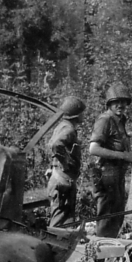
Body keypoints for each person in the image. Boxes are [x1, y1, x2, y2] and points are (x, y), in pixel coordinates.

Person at [89, 83, 132, 237]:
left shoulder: (121, 120)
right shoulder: (105, 120)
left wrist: (127, 156)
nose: (120, 105)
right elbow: (94, 149)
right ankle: (101, 252)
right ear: (109, 104)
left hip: (117, 173)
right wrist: (123, 156)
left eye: (123, 102)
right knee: (107, 215)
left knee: (117, 214)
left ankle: (110, 251)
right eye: (116, 102)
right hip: (105, 173)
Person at [46, 96, 86, 230]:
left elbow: (52, 145)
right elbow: (56, 145)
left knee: (65, 220)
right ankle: (51, 247)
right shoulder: (68, 130)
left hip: (62, 179)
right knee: (59, 221)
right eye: (82, 113)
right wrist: (66, 162)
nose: (83, 116)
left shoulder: (63, 127)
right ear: (76, 114)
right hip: (63, 180)